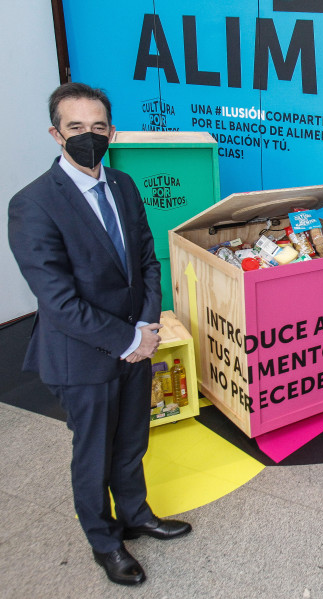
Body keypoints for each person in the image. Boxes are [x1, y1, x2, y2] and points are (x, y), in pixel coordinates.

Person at [7, 83, 191, 586]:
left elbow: (148, 262)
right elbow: (59, 300)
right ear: (55, 134)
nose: (88, 136)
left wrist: (147, 329)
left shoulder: (125, 185)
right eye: (75, 128)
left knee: (131, 441)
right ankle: (105, 542)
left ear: (111, 131)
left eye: (97, 127)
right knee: (94, 454)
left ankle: (136, 514)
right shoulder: (33, 205)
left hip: (137, 342)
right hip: (82, 355)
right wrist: (129, 341)